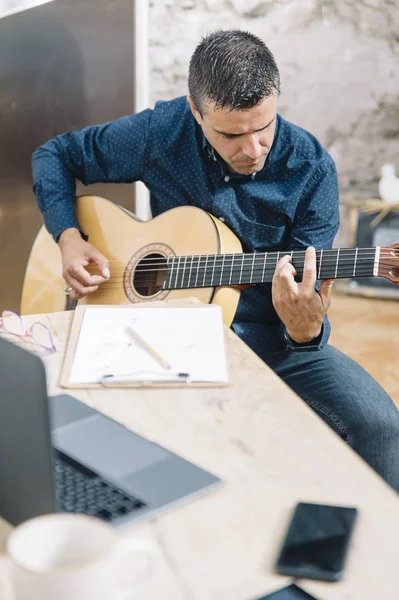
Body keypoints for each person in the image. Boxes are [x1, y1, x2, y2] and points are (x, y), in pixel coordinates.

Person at [31, 29, 399, 491]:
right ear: (195, 111)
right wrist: (67, 235)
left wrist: (306, 329)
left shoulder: (310, 169)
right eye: (231, 134)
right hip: (158, 335)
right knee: (66, 408)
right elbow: (55, 155)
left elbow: (307, 327)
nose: (252, 149)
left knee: (380, 426)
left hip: (268, 339)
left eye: (263, 127)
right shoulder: (162, 133)